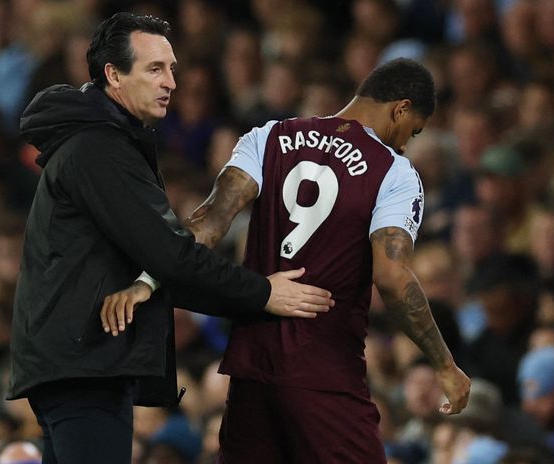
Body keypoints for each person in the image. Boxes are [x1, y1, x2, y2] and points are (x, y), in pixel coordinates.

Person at [7, 12, 334, 464]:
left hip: (77, 362)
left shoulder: (99, 143)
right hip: (87, 363)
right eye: (155, 69)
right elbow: (172, 256)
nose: (171, 83)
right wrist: (262, 293)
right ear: (114, 76)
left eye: (172, 68)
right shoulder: (100, 149)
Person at [122, 58, 470, 462]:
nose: (406, 143)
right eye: (414, 130)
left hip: (253, 365)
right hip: (323, 369)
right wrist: (445, 364)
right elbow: (392, 277)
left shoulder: (269, 136)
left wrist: (149, 279)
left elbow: (208, 221)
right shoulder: (394, 172)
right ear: (400, 109)